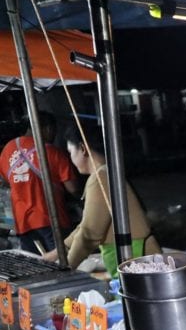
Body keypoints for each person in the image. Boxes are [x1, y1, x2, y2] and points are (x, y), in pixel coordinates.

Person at [43, 124, 160, 276]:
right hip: (135, 255)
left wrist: (66, 269)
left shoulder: (101, 178)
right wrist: (57, 252)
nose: (71, 159)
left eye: (71, 152)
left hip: (137, 258)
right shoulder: (106, 172)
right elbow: (86, 225)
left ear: (83, 149)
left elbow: (90, 233)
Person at [0, 111, 80, 253]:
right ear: (48, 128)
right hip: (51, 220)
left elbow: (6, 182)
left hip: (22, 222)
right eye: (54, 131)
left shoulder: (8, 149)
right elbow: (72, 188)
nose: (54, 136)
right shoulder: (53, 152)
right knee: (63, 265)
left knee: (36, 267)